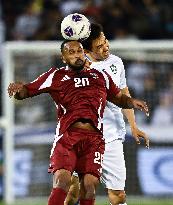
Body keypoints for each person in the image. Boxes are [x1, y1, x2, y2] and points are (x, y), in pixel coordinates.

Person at [8, 40, 148, 205]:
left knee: (89, 186)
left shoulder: (100, 76)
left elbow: (118, 98)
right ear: (63, 58)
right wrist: (18, 91)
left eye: (79, 51)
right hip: (68, 137)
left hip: (94, 139)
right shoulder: (56, 76)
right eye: (71, 52)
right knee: (62, 180)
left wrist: (131, 102)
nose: (77, 55)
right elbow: (27, 90)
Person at [65, 23, 149, 205]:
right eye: (99, 46)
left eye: (105, 41)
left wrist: (133, 126)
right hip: (83, 137)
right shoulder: (76, 70)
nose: (106, 47)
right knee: (74, 189)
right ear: (86, 50)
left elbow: (123, 94)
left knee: (118, 195)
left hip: (111, 137)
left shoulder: (116, 62)